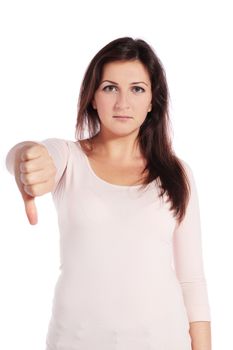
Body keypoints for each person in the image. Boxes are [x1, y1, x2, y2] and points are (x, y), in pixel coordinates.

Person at [5, 36, 212, 349]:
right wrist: (25, 159)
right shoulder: (69, 159)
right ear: (92, 97)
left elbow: (192, 282)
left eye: (137, 89)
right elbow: (33, 155)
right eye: (110, 87)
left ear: (152, 100)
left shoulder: (177, 174)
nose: (122, 103)